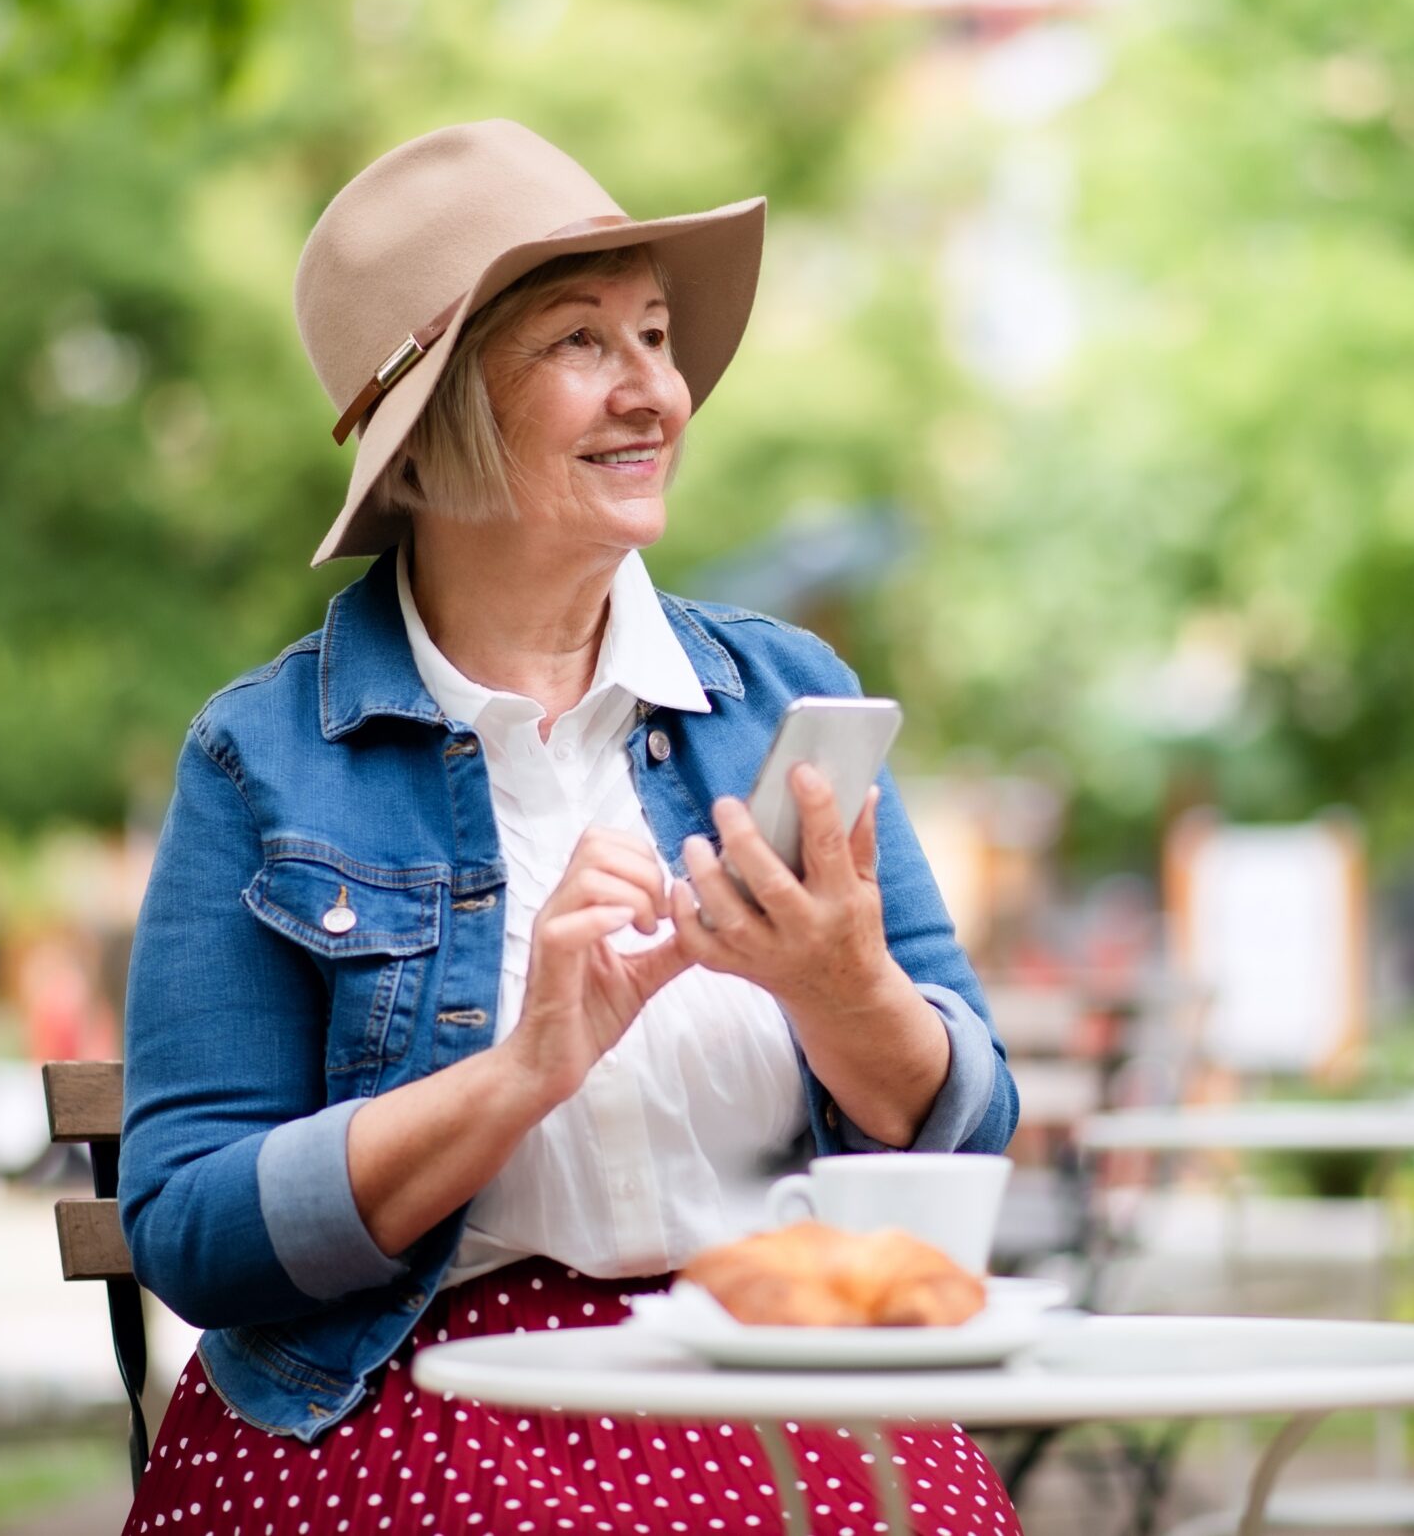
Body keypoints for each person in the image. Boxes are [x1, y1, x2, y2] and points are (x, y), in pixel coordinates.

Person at [119, 120, 1022, 1536]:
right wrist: (523, 1068)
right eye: (581, 342)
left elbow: (968, 1136)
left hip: (774, 1365)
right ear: (440, 419)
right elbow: (188, 1229)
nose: (656, 389)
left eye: (656, 337)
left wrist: (846, 991)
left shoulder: (791, 698)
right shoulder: (264, 756)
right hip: (410, 1405)